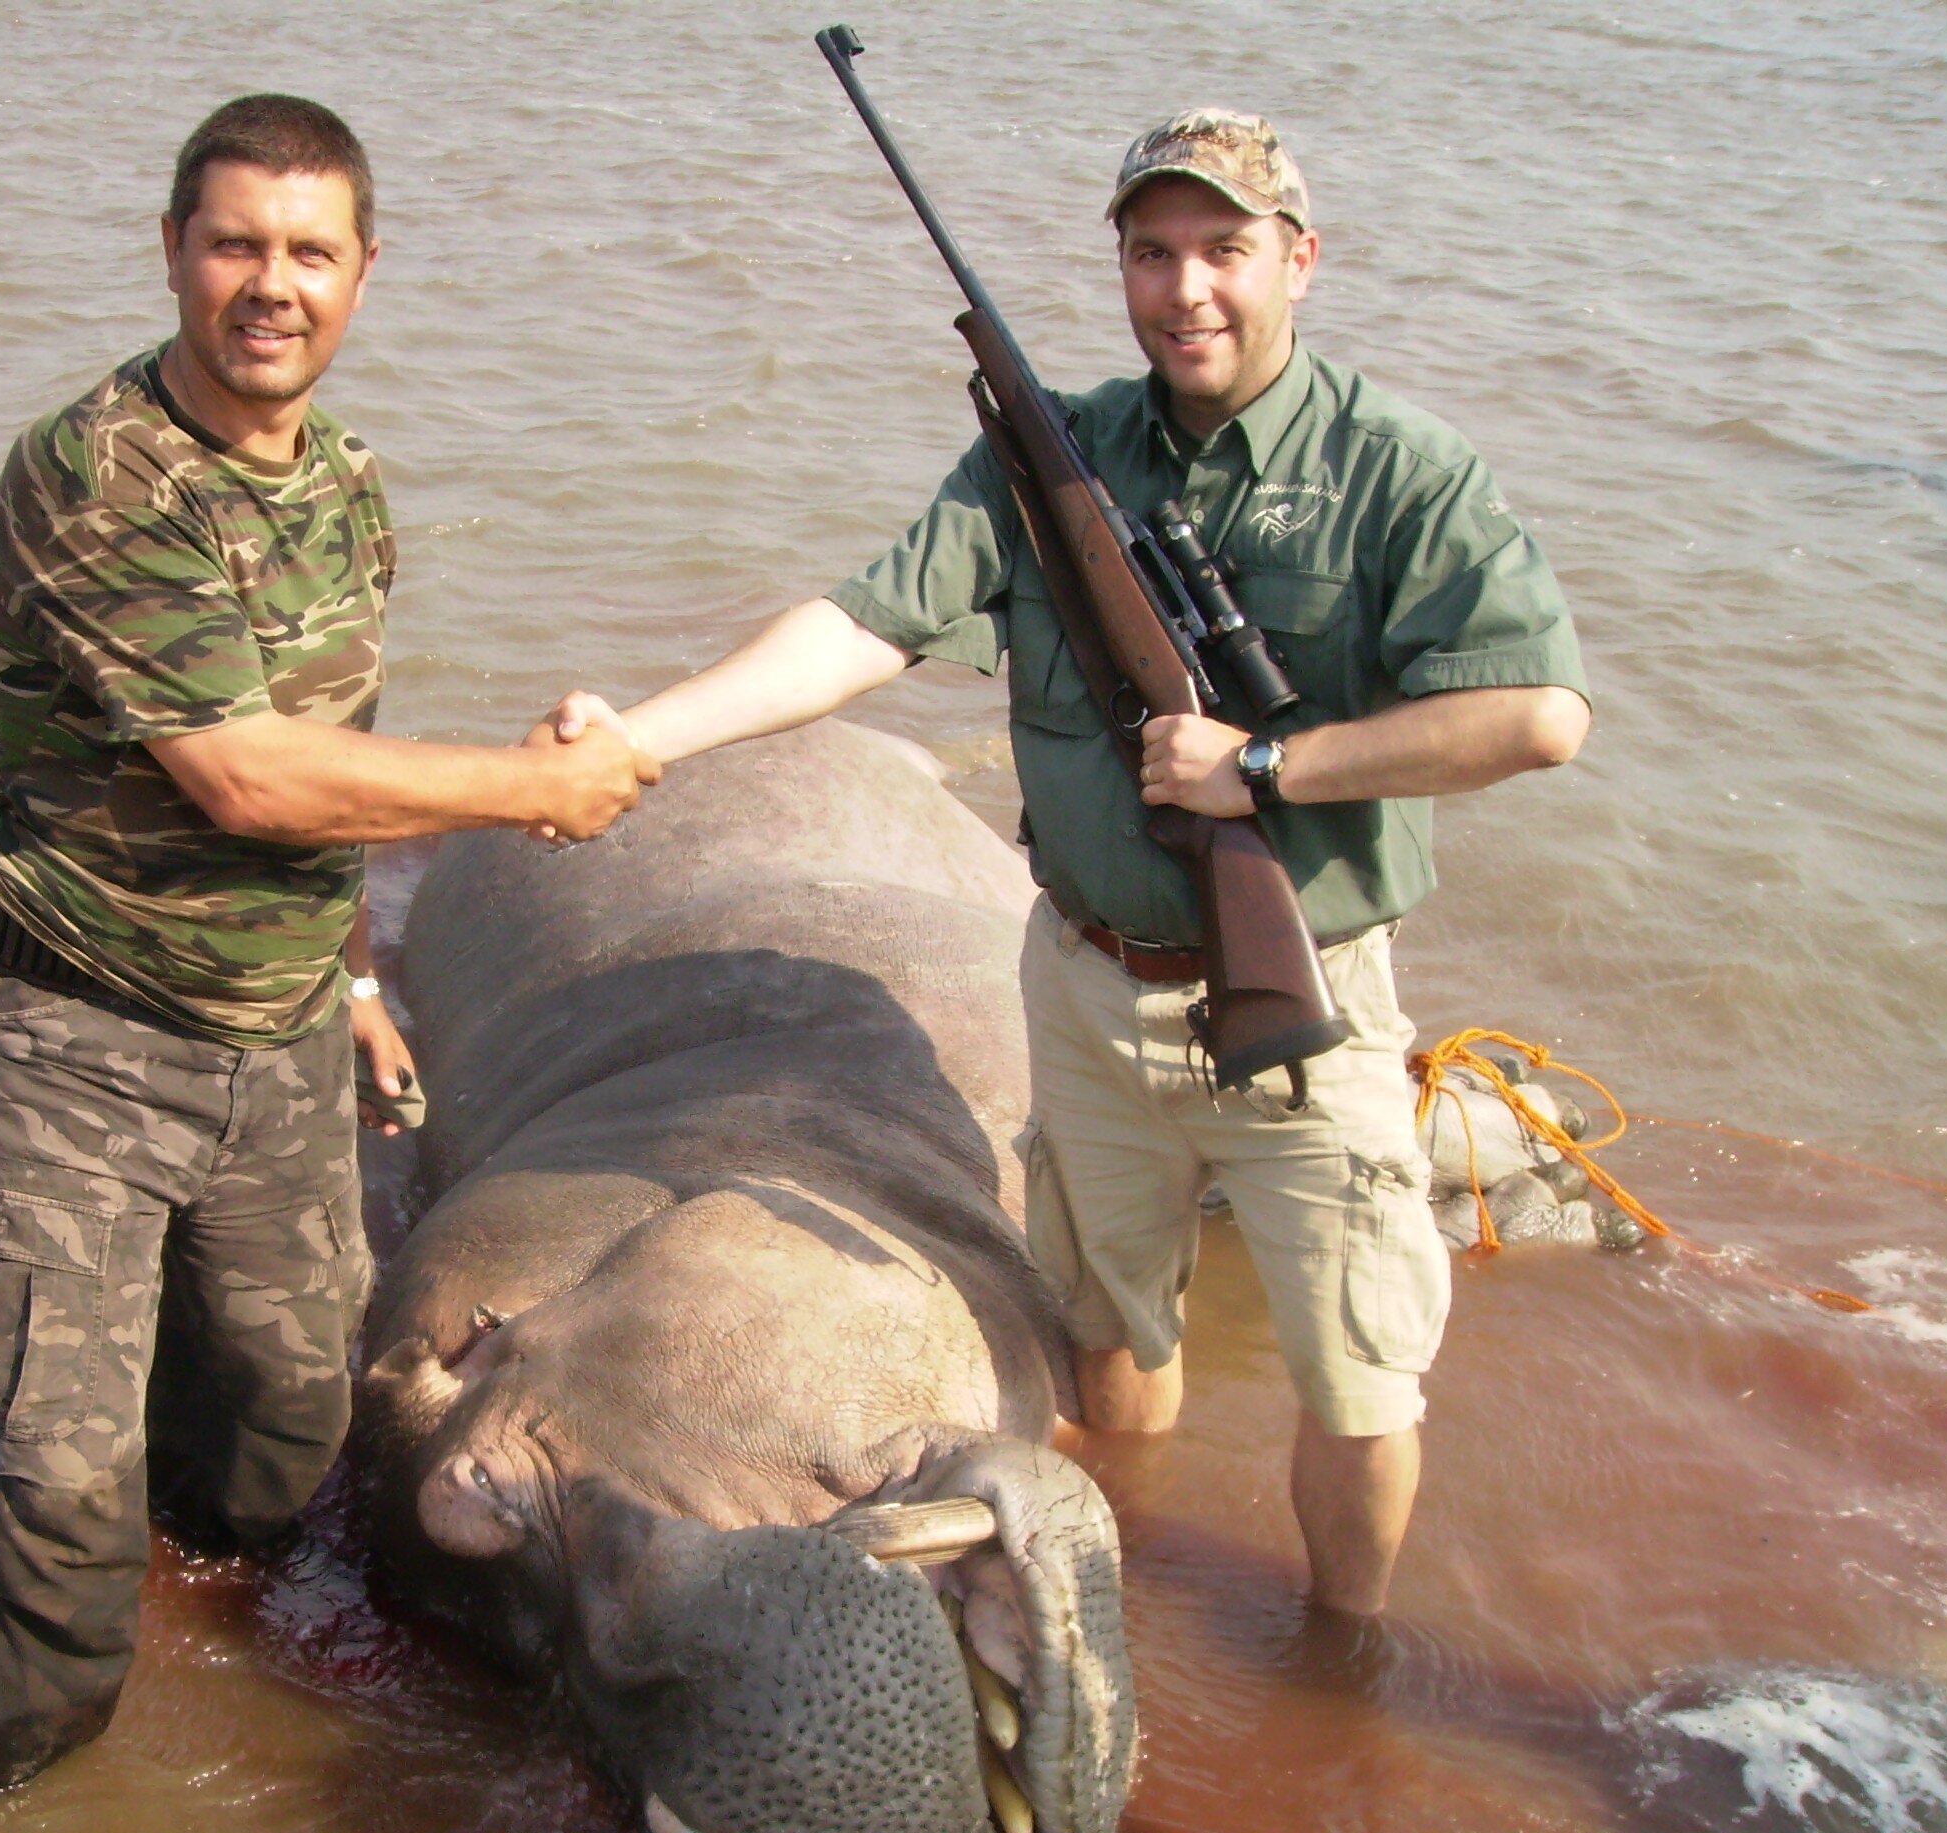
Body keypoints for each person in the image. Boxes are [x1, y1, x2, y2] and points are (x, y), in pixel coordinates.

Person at [550, 110, 1589, 1617]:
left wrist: (1274, 769)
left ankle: (1339, 1666)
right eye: (1152, 254)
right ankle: (1129, 1591)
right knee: (1109, 1338)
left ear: (1300, 259)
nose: (1187, 292)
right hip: (1092, 995)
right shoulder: (1049, 460)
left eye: (1226, 251)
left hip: (1311, 1013)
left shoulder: (1400, 470)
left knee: (1362, 1385)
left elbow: (1537, 717)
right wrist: (635, 737)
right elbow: (861, 630)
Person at [0, 93, 651, 1787]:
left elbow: (333, 766)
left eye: (308, 251)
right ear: (172, 251)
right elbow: (243, 775)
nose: (270, 283)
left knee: (282, 1429)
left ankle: (191, 1654)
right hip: (70, 1032)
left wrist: (360, 980)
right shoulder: (91, 476)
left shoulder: (344, 489)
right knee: (51, 1480)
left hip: (278, 1034)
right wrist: (535, 791)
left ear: (362, 276)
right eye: (234, 242)